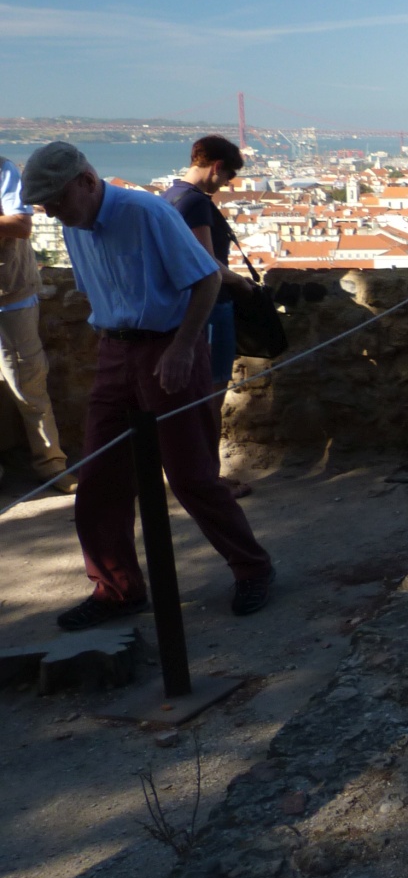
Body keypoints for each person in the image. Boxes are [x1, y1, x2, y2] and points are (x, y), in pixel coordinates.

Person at [21, 142, 274, 630]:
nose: (50, 212)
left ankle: (252, 568)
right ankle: (117, 588)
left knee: (191, 475)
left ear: (86, 182)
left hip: (170, 345)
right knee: (100, 478)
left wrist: (182, 348)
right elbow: (99, 292)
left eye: (55, 200)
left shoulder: (147, 212)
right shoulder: (74, 223)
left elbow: (206, 280)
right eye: (44, 204)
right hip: (115, 351)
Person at [163, 135, 255, 498]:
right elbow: (208, 262)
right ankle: (210, 480)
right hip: (211, 308)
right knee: (211, 397)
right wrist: (241, 283)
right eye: (229, 175)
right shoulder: (197, 203)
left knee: (192, 397)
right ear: (216, 166)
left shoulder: (170, 196)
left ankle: (193, 475)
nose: (228, 183)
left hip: (180, 307)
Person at [0, 154, 74, 493]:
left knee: (27, 382)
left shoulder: (3, 170)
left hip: (9, 296)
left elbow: (21, 225)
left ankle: (51, 465)